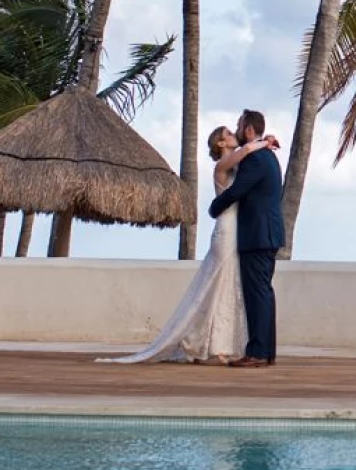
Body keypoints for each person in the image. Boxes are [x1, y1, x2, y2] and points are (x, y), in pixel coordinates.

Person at [101, 124, 275, 365]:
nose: (233, 135)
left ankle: (217, 344)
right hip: (226, 230)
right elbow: (245, 151)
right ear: (221, 144)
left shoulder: (238, 164)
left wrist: (265, 141)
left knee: (227, 287)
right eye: (228, 134)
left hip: (240, 232)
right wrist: (264, 142)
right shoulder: (222, 166)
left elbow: (247, 160)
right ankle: (197, 341)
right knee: (215, 284)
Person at [212, 107, 284, 368]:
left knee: (258, 295)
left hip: (257, 235)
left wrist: (214, 207)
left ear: (249, 130)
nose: (237, 128)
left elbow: (237, 191)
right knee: (263, 293)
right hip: (266, 233)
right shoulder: (266, 155)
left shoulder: (255, 159)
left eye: (239, 125)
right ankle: (266, 352)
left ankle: (257, 353)